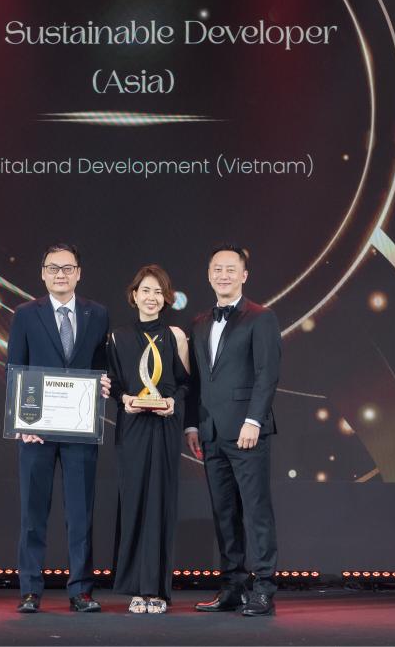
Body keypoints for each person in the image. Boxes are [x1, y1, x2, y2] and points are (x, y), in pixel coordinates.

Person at [7, 243, 111, 614]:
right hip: (36, 431)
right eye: (53, 268)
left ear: (79, 273)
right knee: (33, 514)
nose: (61, 274)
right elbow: (15, 368)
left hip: (80, 429)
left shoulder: (97, 314)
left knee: (80, 515)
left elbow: (102, 365)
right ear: (43, 273)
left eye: (68, 268)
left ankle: (81, 591)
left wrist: (104, 382)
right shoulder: (25, 314)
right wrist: (22, 422)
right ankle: (30, 590)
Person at [185, 244, 281, 617]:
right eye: (217, 269)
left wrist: (254, 420)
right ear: (209, 275)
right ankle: (232, 586)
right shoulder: (199, 322)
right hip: (210, 432)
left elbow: (267, 374)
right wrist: (192, 424)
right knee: (224, 512)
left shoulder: (262, 317)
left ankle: (264, 588)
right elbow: (196, 380)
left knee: (256, 511)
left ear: (244, 275)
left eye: (230, 269)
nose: (223, 275)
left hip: (247, 431)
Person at [107, 265, 191, 614]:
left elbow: (185, 384)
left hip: (165, 428)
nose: (152, 297)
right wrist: (124, 399)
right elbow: (113, 384)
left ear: (166, 298)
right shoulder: (118, 337)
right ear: (134, 295)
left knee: (161, 504)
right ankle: (136, 590)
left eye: (158, 292)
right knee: (134, 504)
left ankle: (157, 590)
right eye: (146, 290)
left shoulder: (176, 336)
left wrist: (173, 403)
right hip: (132, 429)